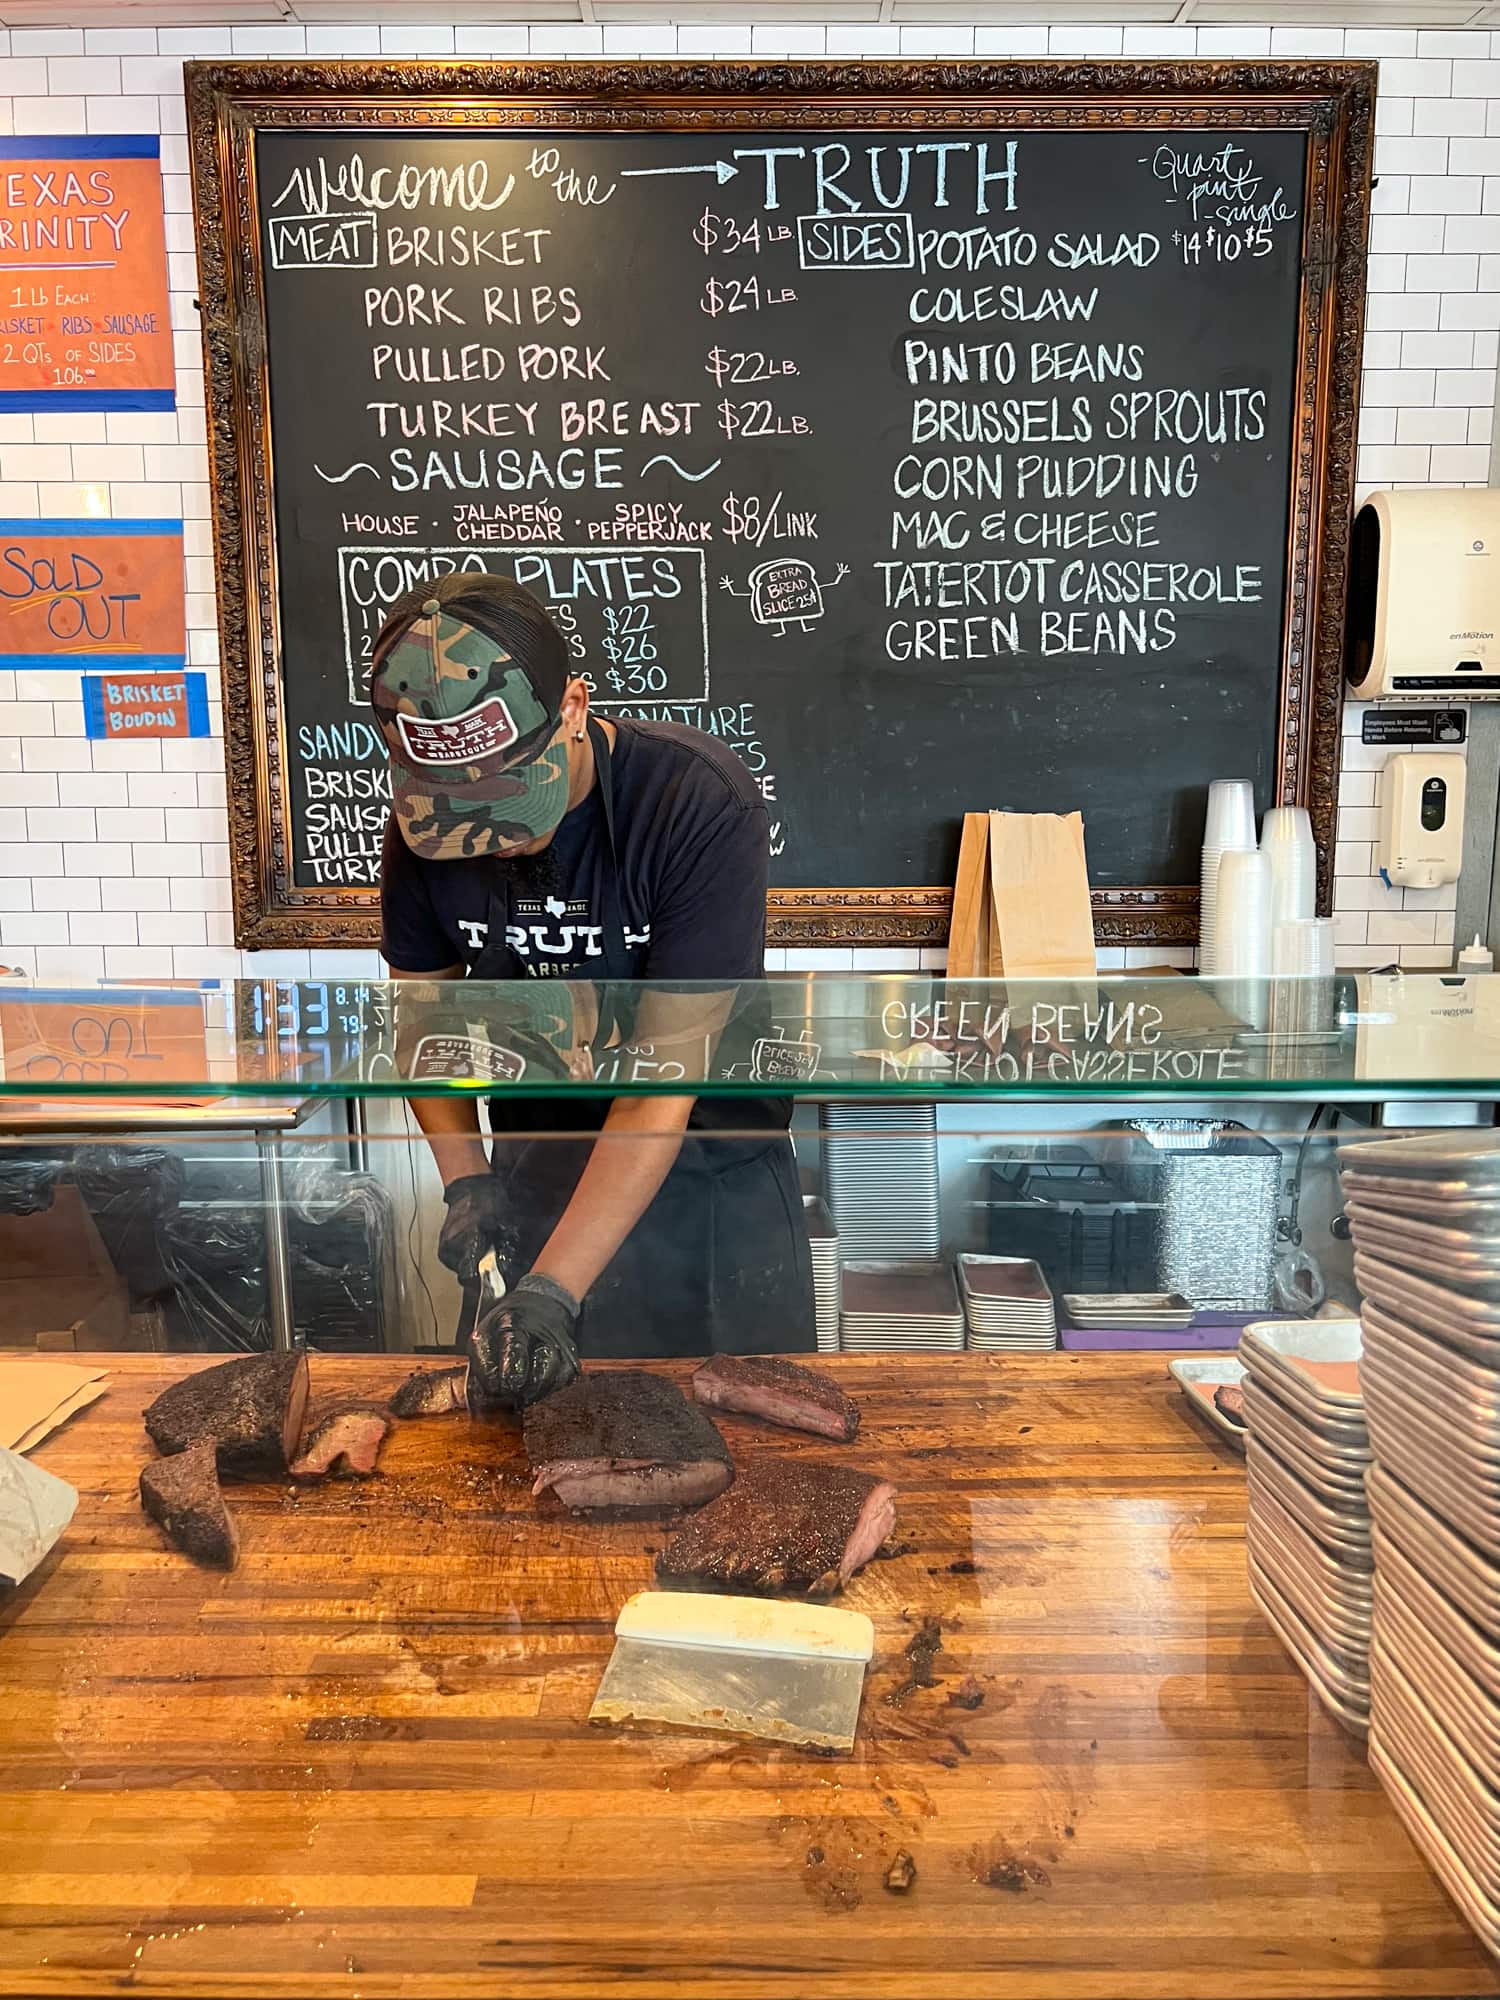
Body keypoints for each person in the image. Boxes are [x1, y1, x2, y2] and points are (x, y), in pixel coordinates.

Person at [374, 570, 815, 1408]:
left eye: (509, 796)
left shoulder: (696, 803)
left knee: (741, 1462)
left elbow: (663, 1084)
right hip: (536, 1172)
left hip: (709, 1184)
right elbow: (425, 1020)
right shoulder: (421, 831)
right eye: (453, 809)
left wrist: (554, 1291)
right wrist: (467, 1179)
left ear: (573, 707)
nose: (487, 842)